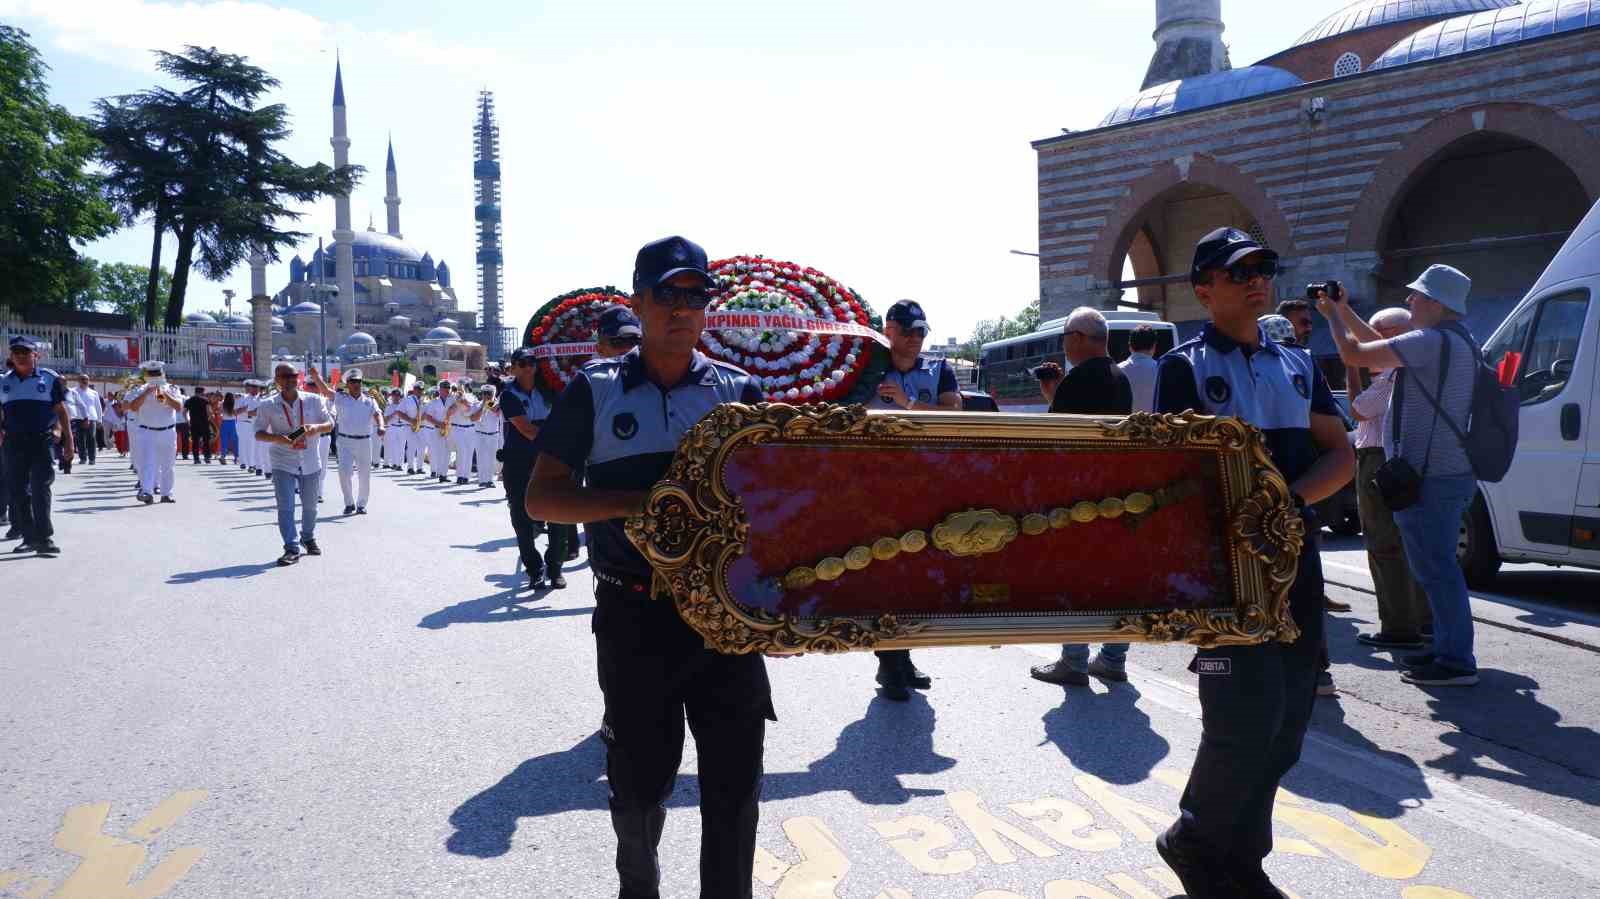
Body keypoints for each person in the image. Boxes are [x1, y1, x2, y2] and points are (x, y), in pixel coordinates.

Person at [527, 235, 771, 898]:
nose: (683, 309)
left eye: (697, 296)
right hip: (635, 614)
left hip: (725, 615)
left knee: (734, 786)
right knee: (639, 785)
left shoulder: (739, 390)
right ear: (637, 299)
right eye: (669, 294)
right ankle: (638, 883)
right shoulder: (595, 390)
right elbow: (542, 494)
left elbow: (772, 496)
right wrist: (640, 504)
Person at [1153, 228, 1354, 898]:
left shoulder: (1298, 364)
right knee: (1242, 716)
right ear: (1203, 288)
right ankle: (1196, 838)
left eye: (1263, 268)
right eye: (1238, 272)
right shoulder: (1182, 366)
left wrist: (1287, 502)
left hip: (1296, 564)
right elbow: (1171, 474)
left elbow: (1342, 453)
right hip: (1224, 574)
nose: (1256, 279)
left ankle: (1242, 858)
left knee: (1289, 720)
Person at [1319, 264, 1480, 687]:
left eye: (1417, 295)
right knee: (1437, 569)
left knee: (1437, 572)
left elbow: (1355, 353)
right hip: (1449, 473)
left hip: (1428, 477)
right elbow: (1381, 345)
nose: (1409, 301)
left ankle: (1457, 661)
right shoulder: (1457, 340)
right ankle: (1447, 649)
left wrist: (1332, 317)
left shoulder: (1430, 342)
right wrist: (1343, 308)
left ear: (1436, 303)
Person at [1030, 307, 1136, 687]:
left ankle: (1074, 660)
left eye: (1065, 338)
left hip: (1078, 496)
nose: (1064, 346)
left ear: (1077, 338)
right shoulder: (1119, 377)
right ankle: (1113, 657)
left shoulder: (1077, 381)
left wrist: (1053, 398)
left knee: (1076, 576)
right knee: (1118, 579)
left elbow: (1056, 439)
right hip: (1118, 493)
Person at [872, 299, 962, 702]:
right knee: (887, 575)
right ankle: (890, 665)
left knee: (916, 577)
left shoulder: (938, 370)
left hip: (927, 484)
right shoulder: (867, 369)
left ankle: (902, 658)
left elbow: (955, 414)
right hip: (877, 486)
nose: (914, 339)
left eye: (921, 332)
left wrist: (909, 406)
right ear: (889, 329)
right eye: (907, 331)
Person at [1344, 308, 1431, 651]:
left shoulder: (1393, 377)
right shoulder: (1413, 371)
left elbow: (1357, 410)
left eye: (1374, 336)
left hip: (1378, 461)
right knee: (1412, 546)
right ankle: (1423, 621)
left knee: (1384, 546)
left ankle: (1399, 627)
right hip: (1401, 460)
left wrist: (1351, 365)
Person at [256, 362, 334, 565]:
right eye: (284, 376)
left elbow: (330, 424)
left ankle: (307, 537)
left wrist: (315, 427)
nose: (290, 380)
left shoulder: (314, 400)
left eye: (293, 375)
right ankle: (291, 547)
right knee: (286, 506)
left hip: (309, 461)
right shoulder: (267, 404)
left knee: (310, 506)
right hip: (283, 461)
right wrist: (280, 439)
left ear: (297, 378)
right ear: (277, 380)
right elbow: (258, 433)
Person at [498, 348, 562, 590]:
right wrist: (560, 440)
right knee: (520, 518)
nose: (528, 367)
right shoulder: (508, 394)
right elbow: (526, 429)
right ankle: (534, 569)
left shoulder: (548, 390)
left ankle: (555, 567)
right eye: (522, 363)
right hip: (519, 462)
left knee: (558, 514)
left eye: (532, 362)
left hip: (547, 458)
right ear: (513, 368)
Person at [1, 336, 72, 555]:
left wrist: (69, 440)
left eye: (26, 353)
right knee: (18, 491)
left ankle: (44, 538)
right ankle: (28, 537)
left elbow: (61, 411)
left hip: (41, 440)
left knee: (41, 487)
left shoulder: (49, 379)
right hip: (13, 443)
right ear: (11, 357)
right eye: (17, 353)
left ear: (36, 356)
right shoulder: (3, 381)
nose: (21, 357)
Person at [318, 369, 384, 515]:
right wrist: (316, 377)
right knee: (344, 473)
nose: (356, 384)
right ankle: (349, 503)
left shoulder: (369, 400)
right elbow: (325, 390)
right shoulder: (341, 398)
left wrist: (381, 426)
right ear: (347, 384)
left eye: (358, 382)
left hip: (364, 441)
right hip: (345, 441)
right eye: (353, 382)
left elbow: (378, 414)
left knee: (364, 474)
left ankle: (361, 504)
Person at [127, 361, 183, 504]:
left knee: (168, 464)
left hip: (167, 431)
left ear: (162, 374)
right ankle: (146, 492)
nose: (154, 376)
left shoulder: (171, 388)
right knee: (147, 463)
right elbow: (133, 407)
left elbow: (177, 407)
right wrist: (146, 393)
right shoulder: (139, 389)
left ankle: (166, 494)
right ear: (146, 375)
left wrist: (162, 393)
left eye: (157, 373)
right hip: (147, 432)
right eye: (152, 374)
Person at [1120, 324, 1160, 413]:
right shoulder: (1161, 370)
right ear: (1154, 346)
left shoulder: (1118, 370)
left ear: (1130, 346)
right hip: (1155, 424)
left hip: (1124, 425)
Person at [469, 384, 501, 489]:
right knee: (481, 457)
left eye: (489, 394)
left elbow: (497, 412)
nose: (487, 396)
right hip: (480, 434)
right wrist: (483, 406)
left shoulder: (496, 405)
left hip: (493, 434)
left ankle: (489, 480)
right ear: (482, 394)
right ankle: (482, 480)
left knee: (492, 458)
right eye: (485, 393)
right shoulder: (476, 404)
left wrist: (488, 403)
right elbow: (473, 418)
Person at [421, 383, 453, 483]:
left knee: (447, 452)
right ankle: (439, 472)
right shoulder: (434, 402)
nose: (447, 390)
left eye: (448, 388)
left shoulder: (452, 400)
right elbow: (427, 416)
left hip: (449, 429)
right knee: (438, 452)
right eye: (445, 388)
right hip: (437, 430)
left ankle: (444, 474)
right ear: (440, 390)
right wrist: (439, 423)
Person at [68, 375, 102, 466]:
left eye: (86, 379)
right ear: (78, 380)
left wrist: (99, 420)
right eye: (82, 379)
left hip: (92, 418)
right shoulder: (73, 391)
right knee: (80, 439)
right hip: (79, 418)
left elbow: (98, 407)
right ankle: (82, 458)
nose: (85, 381)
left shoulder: (94, 393)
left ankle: (92, 458)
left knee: (92, 438)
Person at [448, 382, 477, 485]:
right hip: (457, 428)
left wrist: (465, 403)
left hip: (470, 429)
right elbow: (449, 412)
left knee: (469, 452)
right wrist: (457, 402)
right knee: (462, 451)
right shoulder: (452, 398)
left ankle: (466, 476)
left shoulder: (473, 398)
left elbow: (472, 410)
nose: (461, 390)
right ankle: (460, 476)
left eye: (464, 387)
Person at [183, 386, 214, 464]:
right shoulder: (205, 400)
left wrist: (188, 420)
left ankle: (196, 458)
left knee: (195, 441)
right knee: (206, 441)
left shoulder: (189, 400)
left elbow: (184, 412)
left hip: (194, 423)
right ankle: (207, 457)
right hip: (204, 423)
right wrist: (208, 419)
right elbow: (209, 412)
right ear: (202, 392)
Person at [383, 388, 407, 470]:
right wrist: (394, 413)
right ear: (392, 397)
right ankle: (394, 463)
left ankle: (400, 465)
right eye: (394, 396)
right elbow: (385, 420)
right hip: (393, 427)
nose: (396, 397)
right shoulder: (389, 407)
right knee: (394, 446)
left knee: (402, 446)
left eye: (398, 396)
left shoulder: (404, 406)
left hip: (403, 427)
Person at [219, 392, 239, 464]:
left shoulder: (222, 404)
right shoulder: (235, 404)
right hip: (233, 423)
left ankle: (223, 456)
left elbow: (220, 413)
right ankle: (237, 457)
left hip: (224, 423)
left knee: (224, 441)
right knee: (235, 441)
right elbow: (236, 413)